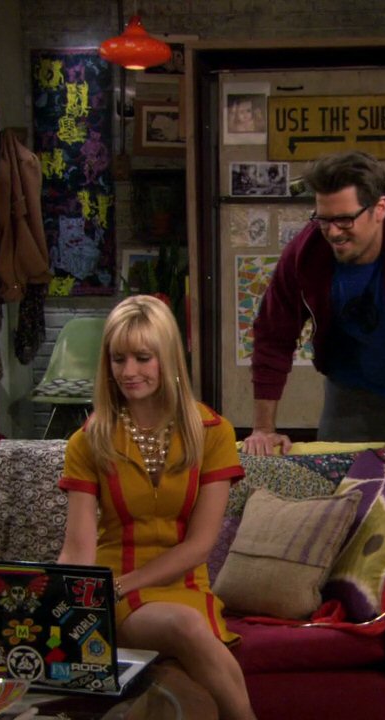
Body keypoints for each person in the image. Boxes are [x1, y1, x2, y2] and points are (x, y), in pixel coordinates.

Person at [58, 295, 255, 720]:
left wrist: (122, 585)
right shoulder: (88, 441)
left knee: (188, 686)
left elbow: (200, 545)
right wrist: (70, 604)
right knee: (185, 628)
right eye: (119, 359)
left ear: (168, 358)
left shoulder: (213, 432)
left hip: (183, 585)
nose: (129, 372)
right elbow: (78, 548)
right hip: (117, 590)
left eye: (143, 358)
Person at [243, 150, 385, 470]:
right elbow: (272, 336)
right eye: (324, 219)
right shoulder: (305, 254)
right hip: (348, 391)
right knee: (338, 490)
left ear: (380, 208)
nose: (334, 232)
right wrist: (263, 428)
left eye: (345, 220)